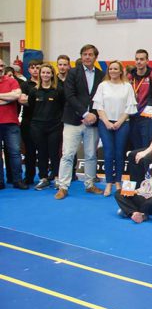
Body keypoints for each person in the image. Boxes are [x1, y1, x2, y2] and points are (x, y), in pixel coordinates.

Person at [56, 45, 105, 200]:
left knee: (91, 154)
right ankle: (63, 186)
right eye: (84, 54)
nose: (87, 57)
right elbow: (69, 95)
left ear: (95, 57)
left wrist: (94, 115)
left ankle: (90, 184)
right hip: (73, 120)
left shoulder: (101, 75)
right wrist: (85, 113)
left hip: (93, 121)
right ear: (81, 56)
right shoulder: (72, 72)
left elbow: (102, 99)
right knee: (68, 154)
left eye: (90, 54)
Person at [93, 60, 138, 196]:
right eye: (110, 69)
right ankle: (108, 183)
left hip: (122, 123)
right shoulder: (102, 85)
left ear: (120, 71)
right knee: (108, 153)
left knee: (119, 153)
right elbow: (98, 106)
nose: (113, 71)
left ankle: (118, 182)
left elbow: (130, 107)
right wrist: (106, 121)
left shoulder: (127, 86)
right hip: (105, 123)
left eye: (115, 69)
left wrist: (119, 122)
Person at [28, 63, 65, 190]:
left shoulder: (58, 90)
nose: (45, 75)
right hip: (37, 126)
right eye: (43, 72)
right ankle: (43, 178)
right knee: (42, 153)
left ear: (52, 74)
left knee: (54, 153)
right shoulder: (34, 91)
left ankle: (56, 178)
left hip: (55, 126)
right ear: (40, 74)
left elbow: (63, 107)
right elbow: (31, 107)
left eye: (48, 72)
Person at [0, 59, 23, 190]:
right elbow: (12, 96)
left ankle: (17, 180)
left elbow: (16, 95)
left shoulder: (12, 81)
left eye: (2, 66)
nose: (0, 68)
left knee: (15, 153)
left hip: (11, 123)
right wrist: (8, 98)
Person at [128, 49, 152, 150]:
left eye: (142, 59)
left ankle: (147, 166)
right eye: (137, 59)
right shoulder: (130, 76)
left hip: (146, 117)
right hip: (131, 116)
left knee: (146, 146)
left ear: (147, 61)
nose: (139, 62)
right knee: (135, 147)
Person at [20, 59, 41, 186]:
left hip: (44, 121)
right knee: (29, 151)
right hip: (28, 121)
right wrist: (40, 99)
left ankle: (45, 176)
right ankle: (29, 176)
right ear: (28, 70)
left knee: (45, 151)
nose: (35, 70)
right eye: (32, 67)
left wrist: (30, 99)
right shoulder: (25, 85)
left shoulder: (48, 83)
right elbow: (22, 100)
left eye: (37, 67)